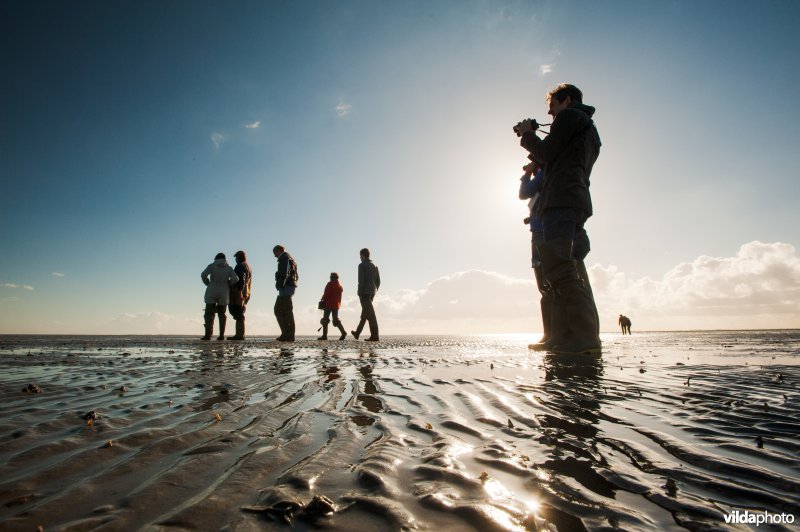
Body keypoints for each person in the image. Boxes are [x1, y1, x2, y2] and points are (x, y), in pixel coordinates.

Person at [515, 83, 602, 355]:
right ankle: (566, 337)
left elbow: (548, 152)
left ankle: (585, 339)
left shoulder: (570, 117)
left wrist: (529, 135)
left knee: (561, 270)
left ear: (565, 100)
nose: (550, 115)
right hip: (576, 199)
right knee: (569, 269)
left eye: (551, 107)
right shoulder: (589, 128)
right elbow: (561, 156)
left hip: (561, 202)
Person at [518, 158, 555, 351]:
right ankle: (552, 335)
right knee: (547, 286)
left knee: (546, 286)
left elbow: (524, 194)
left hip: (541, 235)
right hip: (543, 232)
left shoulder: (543, 173)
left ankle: (550, 335)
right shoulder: (548, 176)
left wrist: (526, 174)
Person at [201, 252, 239, 341]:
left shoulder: (211, 266)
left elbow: (203, 275)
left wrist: (207, 283)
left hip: (212, 289)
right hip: (224, 291)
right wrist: (228, 284)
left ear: (216, 258)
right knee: (222, 314)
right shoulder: (229, 268)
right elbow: (236, 279)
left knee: (209, 313)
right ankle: (221, 335)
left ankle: (207, 335)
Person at [351, 248, 380, 341]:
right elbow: (378, 281)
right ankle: (357, 333)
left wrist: (359, 293)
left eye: (360, 255)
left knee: (371, 316)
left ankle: (375, 336)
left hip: (364, 293)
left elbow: (361, 281)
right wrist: (374, 290)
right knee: (365, 313)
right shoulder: (374, 265)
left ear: (363, 255)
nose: (360, 257)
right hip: (372, 293)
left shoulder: (362, 265)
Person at [273, 245, 298, 342]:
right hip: (289, 285)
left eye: (275, 253)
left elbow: (284, 273)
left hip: (286, 286)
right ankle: (287, 334)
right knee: (284, 310)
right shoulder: (290, 258)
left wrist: (280, 283)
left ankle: (288, 335)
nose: (275, 256)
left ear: (279, 250)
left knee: (282, 310)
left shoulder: (284, 258)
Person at [227, 250, 252, 340]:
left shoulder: (240, 266)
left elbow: (241, 278)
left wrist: (238, 289)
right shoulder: (248, 266)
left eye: (236, 257)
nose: (235, 259)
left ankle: (239, 334)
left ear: (239, 257)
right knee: (240, 311)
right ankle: (240, 334)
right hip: (246, 291)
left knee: (237, 311)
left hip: (239, 291)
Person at [318, 272, 347, 341]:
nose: (330, 278)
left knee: (325, 319)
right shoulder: (339, 286)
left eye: (330, 277)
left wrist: (322, 299)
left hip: (329, 304)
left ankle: (324, 336)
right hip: (336, 305)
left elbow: (326, 294)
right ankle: (343, 332)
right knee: (336, 320)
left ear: (332, 277)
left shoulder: (330, 284)